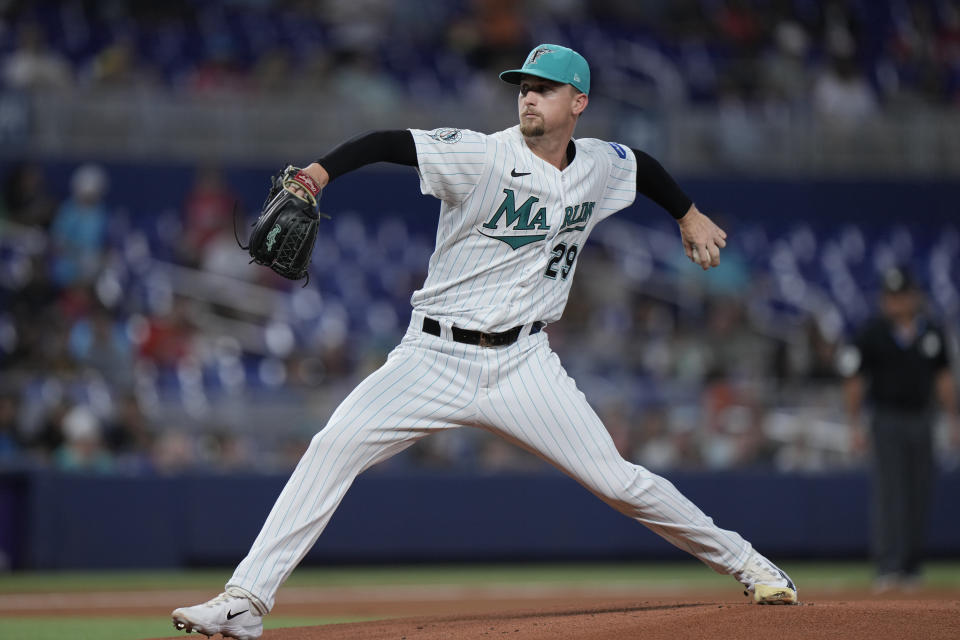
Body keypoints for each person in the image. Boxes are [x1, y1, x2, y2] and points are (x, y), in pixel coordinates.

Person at [172, 44, 797, 640]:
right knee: (332, 446)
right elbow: (389, 142)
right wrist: (317, 173)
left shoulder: (601, 166)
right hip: (432, 356)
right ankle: (245, 602)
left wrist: (687, 214)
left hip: (525, 363)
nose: (527, 98)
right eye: (522, 88)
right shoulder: (481, 155)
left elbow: (645, 167)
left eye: (543, 90)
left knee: (619, 482)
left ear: (577, 102)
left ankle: (750, 565)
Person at [842, 266, 959, 592]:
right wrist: (854, 424)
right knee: (889, 492)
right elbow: (854, 380)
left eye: (901, 296)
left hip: (922, 418)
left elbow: (944, 378)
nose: (895, 303)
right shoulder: (872, 332)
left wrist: (953, 419)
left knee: (919, 491)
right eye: (890, 297)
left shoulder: (932, 332)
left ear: (914, 297)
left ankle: (912, 565)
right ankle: (888, 564)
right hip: (886, 418)